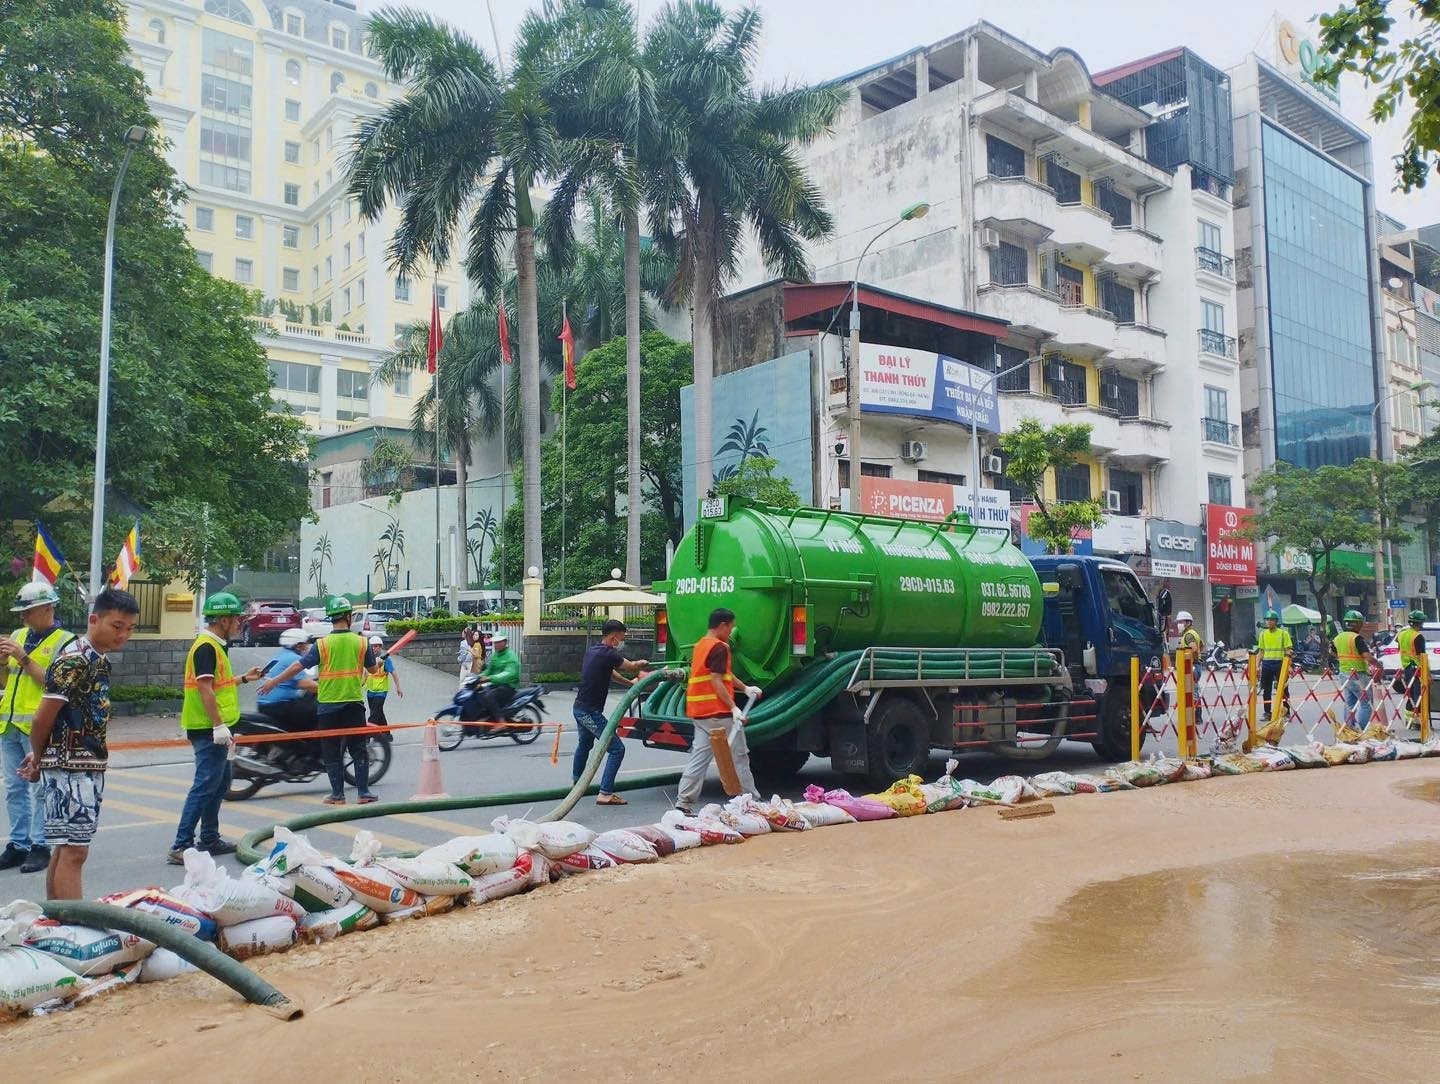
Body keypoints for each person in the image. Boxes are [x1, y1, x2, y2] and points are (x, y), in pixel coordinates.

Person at [18, 588, 139, 900]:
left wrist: (41, 754)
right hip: (70, 769)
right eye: (117, 626)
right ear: (94, 620)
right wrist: (39, 757)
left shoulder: (98, 659)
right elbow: (42, 718)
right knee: (75, 852)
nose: (123, 635)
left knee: (65, 847)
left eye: (129, 628)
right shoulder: (74, 659)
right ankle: (72, 921)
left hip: (80, 764)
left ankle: (57, 916)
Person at [168, 593, 263, 864]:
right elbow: (204, 688)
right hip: (208, 728)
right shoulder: (206, 647)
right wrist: (218, 725)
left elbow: (218, 684)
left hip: (219, 728)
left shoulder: (217, 646)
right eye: (236, 619)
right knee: (205, 785)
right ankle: (181, 844)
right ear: (223, 620)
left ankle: (209, 838)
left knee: (219, 784)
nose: (239, 623)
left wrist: (244, 678)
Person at [260, 596, 382, 805]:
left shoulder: (322, 645)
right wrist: (377, 663)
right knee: (358, 749)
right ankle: (363, 793)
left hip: (328, 707)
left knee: (331, 752)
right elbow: (371, 670)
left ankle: (337, 795)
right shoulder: (362, 642)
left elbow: (298, 666)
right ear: (348, 616)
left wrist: (274, 681)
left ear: (331, 618)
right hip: (353, 705)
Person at [0, 583, 73, 875]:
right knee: (13, 789)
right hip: (9, 723)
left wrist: (23, 657)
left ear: (47, 608)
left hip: (40, 727)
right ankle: (19, 844)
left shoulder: (65, 642)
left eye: (28, 611)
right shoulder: (18, 636)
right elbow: (6, 682)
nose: (23, 617)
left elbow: (56, 683)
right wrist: (2, 663)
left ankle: (40, 845)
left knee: (42, 789)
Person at [675, 608, 763, 815]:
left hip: (700, 714)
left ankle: (683, 802)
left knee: (699, 759)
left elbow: (724, 674)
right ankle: (751, 801)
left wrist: (745, 688)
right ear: (722, 625)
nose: (731, 631)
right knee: (739, 757)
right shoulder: (720, 647)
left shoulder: (701, 645)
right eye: (730, 627)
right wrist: (734, 708)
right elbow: (716, 681)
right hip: (719, 714)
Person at [572, 619, 649, 806]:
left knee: (585, 744)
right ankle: (605, 793)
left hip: (580, 708)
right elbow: (632, 666)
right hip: (589, 712)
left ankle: (577, 783)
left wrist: (629, 684)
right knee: (616, 749)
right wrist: (642, 665)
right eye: (621, 638)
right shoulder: (608, 654)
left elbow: (611, 674)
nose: (621, 642)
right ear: (613, 637)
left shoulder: (594, 651)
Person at [255, 628, 318, 731]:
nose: (307, 646)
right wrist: (328, 689)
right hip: (279, 705)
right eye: (306, 643)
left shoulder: (280, 655)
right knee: (317, 713)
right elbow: (304, 684)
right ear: (298, 645)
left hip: (266, 704)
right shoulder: (293, 658)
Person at [1333, 609, 1378, 730]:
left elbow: (1332, 651)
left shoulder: (1338, 637)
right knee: (1366, 704)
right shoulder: (1357, 638)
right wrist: (1378, 664)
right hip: (1358, 675)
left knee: (1349, 703)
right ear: (1358, 623)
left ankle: (1350, 729)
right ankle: (1363, 730)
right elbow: (1367, 657)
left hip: (1344, 674)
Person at [470, 631, 519, 729]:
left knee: (489, 696)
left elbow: (508, 673)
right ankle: (487, 718)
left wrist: (490, 678)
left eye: (499, 642)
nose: (496, 644)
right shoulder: (496, 655)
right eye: (495, 642)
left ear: (505, 642)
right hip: (497, 685)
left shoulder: (511, 656)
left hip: (508, 686)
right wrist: (478, 678)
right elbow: (489, 670)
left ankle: (501, 722)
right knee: (480, 693)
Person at [1255, 609, 1293, 721]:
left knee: (1283, 689)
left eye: (1271, 620)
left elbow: (1288, 651)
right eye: (1267, 620)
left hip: (1280, 664)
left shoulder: (1283, 634)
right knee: (1266, 690)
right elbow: (1261, 652)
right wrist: (1257, 665)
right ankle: (1267, 713)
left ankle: (1286, 712)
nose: (1269, 622)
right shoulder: (1263, 634)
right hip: (1267, 664)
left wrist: (1288, 665)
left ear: (1276, 621)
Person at [1395, 610, 1428, 726]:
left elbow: (1400, 648)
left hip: (1407, 667)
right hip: (1417, 668)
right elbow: (1422, 656)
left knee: (1411, 693)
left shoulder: (1401, 634)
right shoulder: (1418, 637)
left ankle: (1409, 719)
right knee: (1418, 694)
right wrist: (1427, 674)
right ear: (1420, 623)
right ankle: (1416, 720)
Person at [365, 634, 403, 727]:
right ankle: (386, 732)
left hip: (381, 692)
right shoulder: (369, 659)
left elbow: (393, 673)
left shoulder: (386, 660)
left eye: (376, 646)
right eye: (372, 646)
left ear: (380, 647)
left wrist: (398, 687)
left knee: (374, 715)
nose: (373, 648)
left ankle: (367, 732)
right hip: (370, 691)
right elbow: (365, 674)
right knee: (378, 712)